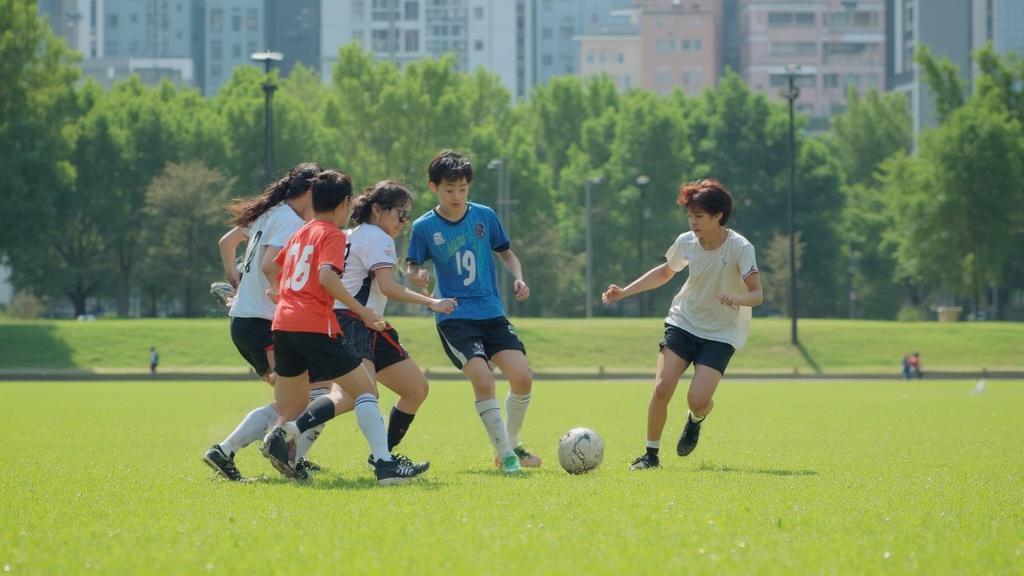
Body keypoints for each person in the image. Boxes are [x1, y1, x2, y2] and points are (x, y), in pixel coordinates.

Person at [260, 170, 426, 485]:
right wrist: (362, 310)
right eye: (402, 214)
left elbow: (273, 268)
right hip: (316, 323)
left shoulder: (301, 232)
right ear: (345, 203)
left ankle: (263, 442)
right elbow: (326, 277)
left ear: (311, 199)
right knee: (364, 390)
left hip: (283, 323)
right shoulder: (334, 234)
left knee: (293, 404)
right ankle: (384, 465)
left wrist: (281, 294)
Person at [280, 181, 457, 470]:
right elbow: (387, 287)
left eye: (408, 216)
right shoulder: (377, 237)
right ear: (377, 209)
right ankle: (290, 434)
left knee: (415, 389)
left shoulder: (352, 234)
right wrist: (432, 302)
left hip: (368, 324)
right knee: (353, 395)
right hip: (354, 322)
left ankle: (381, 454)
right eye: (401, 214)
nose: (404, 222)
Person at [602, 178, 763, 470]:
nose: (693, 221)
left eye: (699, 216)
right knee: (663, 387)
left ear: (718, 216)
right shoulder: (686, 242)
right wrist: (625, 292)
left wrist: (737, 297)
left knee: (697, 400)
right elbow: (665, 272)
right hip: (683, 321)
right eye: (690, 215)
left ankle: (696, 419)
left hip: (721, 332)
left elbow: (757, 294)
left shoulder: (741, 247)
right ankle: (650, 456)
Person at [405, 150, 541, 474]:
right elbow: (411, 265)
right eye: (450, 190)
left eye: (463, 189)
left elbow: (507, 254)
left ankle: (511, 442)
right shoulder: (424, 227)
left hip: (491, 312)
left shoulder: (485, 216)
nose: (457, 196)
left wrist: (519, 277)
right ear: (433, 187)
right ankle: (506, 456)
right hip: (455, 316)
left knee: (522, 377)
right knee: (483, 379)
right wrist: (416, 275)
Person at [203, 163, 329, 482]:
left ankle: (288, 453)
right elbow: (270, 266)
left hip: (246, 321)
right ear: (311, 192)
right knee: (305, 398)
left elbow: (225, 243)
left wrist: (235, 278)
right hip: (263, 323)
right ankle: (228, 450)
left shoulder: (270, 213)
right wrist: (290, 298)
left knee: (299, 396)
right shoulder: (289, 222)